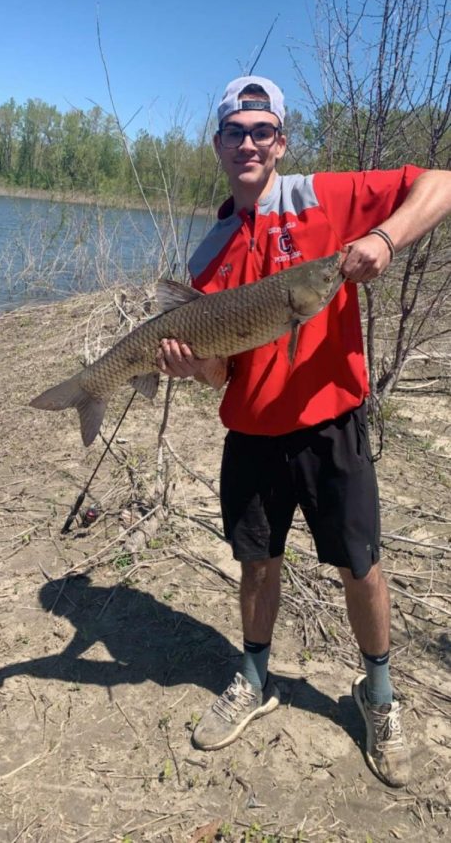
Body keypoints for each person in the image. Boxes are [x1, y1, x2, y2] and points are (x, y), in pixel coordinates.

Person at [156, 76, 451, 788]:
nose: (249, 142)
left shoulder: (324, 197)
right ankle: (253, 677)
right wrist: (188, 366)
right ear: (219, 144)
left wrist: (383, 236)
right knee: (257, 563)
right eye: (236, 131)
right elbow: (220, 375)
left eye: (263, 130)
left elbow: (439, 181)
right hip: (250, 434)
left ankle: (377, 694)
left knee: (359, 564)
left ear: (281, 141)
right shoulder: (208, 253)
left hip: (330, 426)